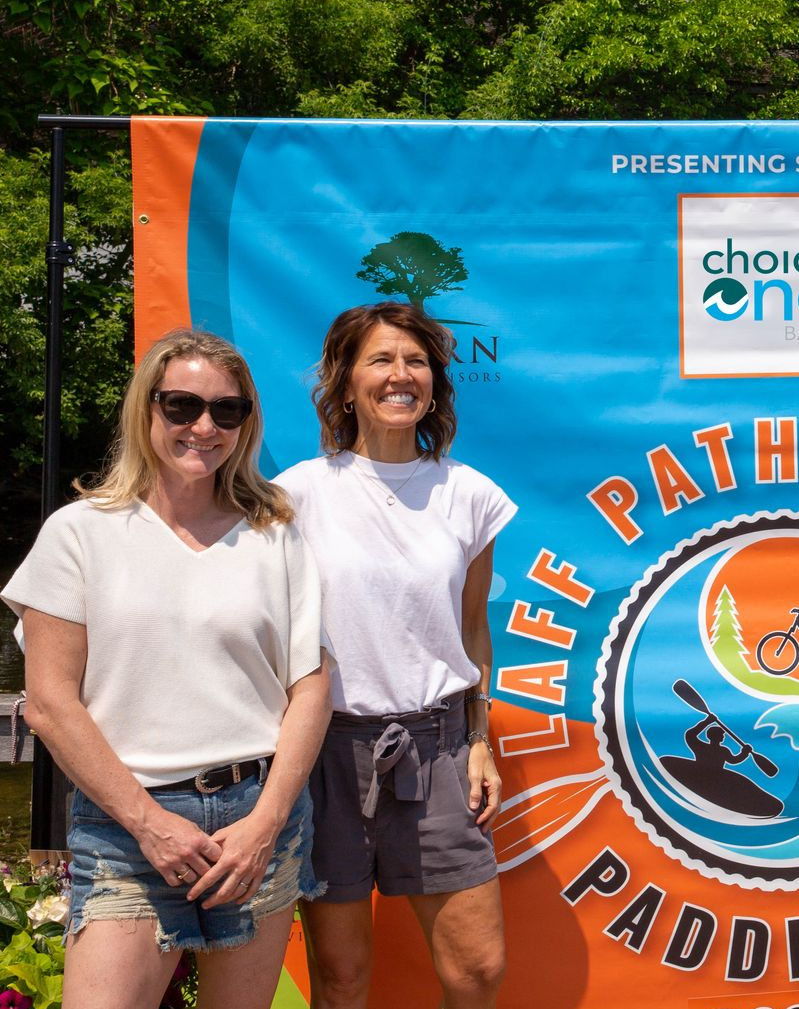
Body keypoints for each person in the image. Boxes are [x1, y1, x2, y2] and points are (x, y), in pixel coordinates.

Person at [3, 329, 331, 1008]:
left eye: (227, 411)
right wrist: (149, 823)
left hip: (256, 821)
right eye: (182, 405)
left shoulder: (275, 533)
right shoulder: (79, 533)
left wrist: (266, 823)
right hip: (127, 824)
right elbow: (50, 704)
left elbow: (312, 686)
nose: (204, 427)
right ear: (145, 408)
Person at [276, 302, 516, 1009]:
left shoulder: (470, 495)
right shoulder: (295, 495)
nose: (400, 375)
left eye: (416, 362)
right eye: (380, 359)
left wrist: (479, 737)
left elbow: (472, 630)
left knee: (478, 970)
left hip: (438, 749)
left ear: (435, 385)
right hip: (325, 753)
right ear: (346, 383)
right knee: (341, 979)